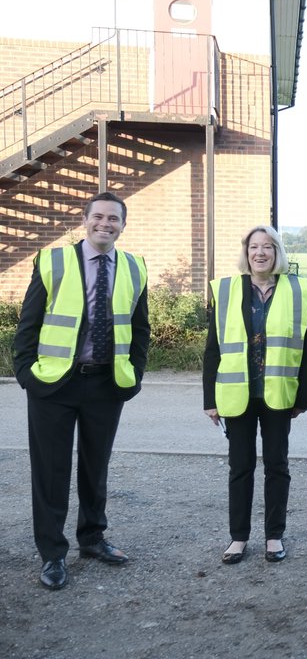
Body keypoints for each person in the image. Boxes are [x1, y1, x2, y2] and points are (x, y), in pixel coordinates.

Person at [13, 191, 150, 590]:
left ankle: (92, 538)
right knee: (51, 472)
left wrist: (135, 374)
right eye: (99, 217)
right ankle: (53, 555)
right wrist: (28, 377)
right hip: (53, 385)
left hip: (106, 384)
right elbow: (28, 326)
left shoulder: (134, 267)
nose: (105, 224)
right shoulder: (54, 261)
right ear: (84, 220)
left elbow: (140, 330)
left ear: (123, 226)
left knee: (96, 468)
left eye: (114, 219)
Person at [202, 225, 307, 564]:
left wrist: (303, 396)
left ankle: (274, 536)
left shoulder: (295, 291)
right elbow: (213, 349)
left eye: (268, 246)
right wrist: (210, 399)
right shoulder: (226, 290)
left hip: (278, 394)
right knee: (240, 467)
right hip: (238, 394)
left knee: (277, 466)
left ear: (277, 252)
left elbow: (305, 347)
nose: (261, 252)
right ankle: (238, 538)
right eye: (254, 247)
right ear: (246, 252)